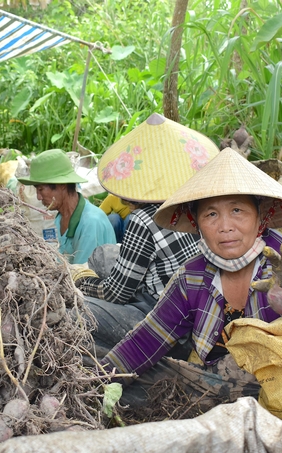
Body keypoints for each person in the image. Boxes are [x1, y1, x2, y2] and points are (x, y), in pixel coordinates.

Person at [98, 148, 282, 407]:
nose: (225, 226)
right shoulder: (193, 276)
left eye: (237, 210)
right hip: (215, 391)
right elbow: (147, 339)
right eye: (211, 214)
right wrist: (98, 383)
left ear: (260, 216)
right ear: (197, 223)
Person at [74, 113, 220, 356]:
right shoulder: (193, 204)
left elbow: (116, 293)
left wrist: (82, 281)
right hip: (201, 306)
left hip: (170, 319)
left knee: (80, 310)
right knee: (104, 254)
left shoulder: (144, 219)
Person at [18, 149, 116, 264]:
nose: (39, 197)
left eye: (41, 189)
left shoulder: (90, 223)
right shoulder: (61, 217)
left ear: (62, 185)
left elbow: (83, 274)